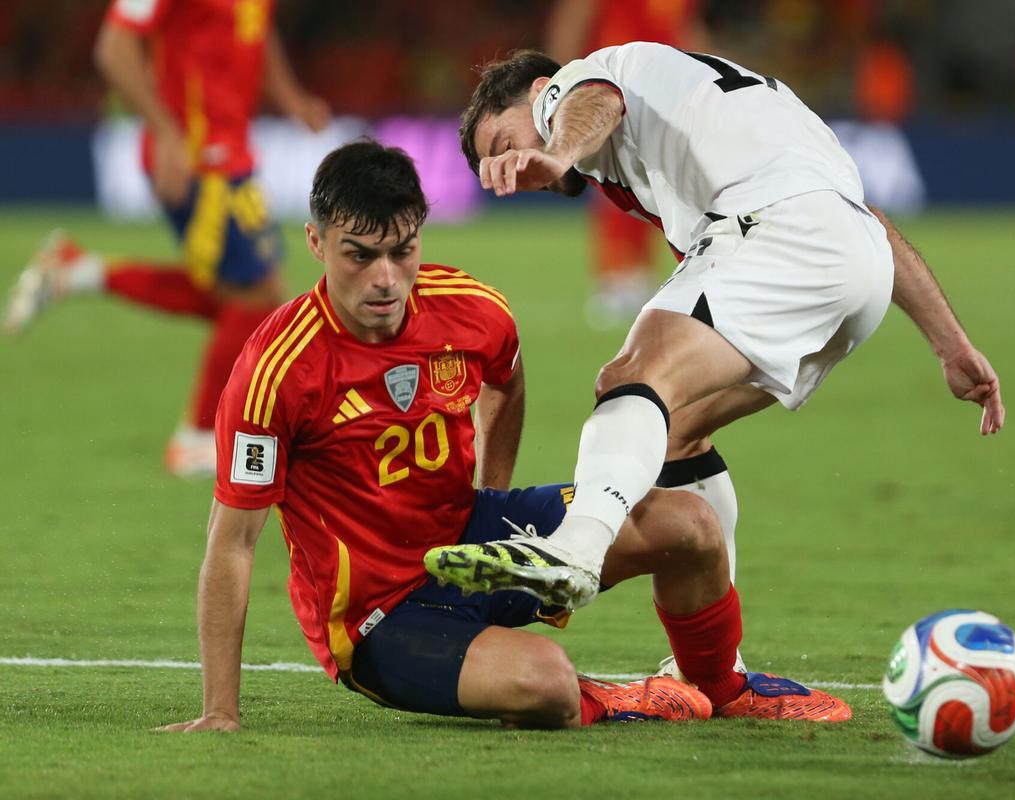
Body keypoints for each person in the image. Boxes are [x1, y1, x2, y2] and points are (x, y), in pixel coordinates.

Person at [160, 140, 850, 732]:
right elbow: (234, 544)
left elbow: (506, 381)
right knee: (544, 682)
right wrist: (221, 708)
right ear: (315, 242)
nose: (385, 279)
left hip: (470, 538)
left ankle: (725, 693)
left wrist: (491, 498)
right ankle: (623, 702)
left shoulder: (471, 311)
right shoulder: (277, 368)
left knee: (691, 526)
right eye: (359, 255)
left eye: (402, 251)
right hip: (377, 617)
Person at [428, 45, 1005, 620]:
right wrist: (951, 345)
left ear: (535, 94)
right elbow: (866, 222)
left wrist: (554, 152)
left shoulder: (580, 82)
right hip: (858, 271)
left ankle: (576, 549)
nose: (510, 173)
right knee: (671, 428)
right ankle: (710, 665)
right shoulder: (709, 104)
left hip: (781, 237)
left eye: (502, 147)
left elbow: (595, 101)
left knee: (629, 381)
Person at [3, 0, 328, 477]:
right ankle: (195, 438)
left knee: (242, 300)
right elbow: (113, 47)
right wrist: (167, 132)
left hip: (232, 154)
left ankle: (76, 270)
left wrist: (290, 97)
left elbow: (257, 27)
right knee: (256, 295)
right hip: (195, 157)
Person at [545, 0, 709, 328]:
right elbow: (573, 18)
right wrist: (559, 83)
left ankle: (640, 275)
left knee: (657, 183)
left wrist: (713, 72)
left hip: (663, 93)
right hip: (608, 88)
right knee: (615, 176)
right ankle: (615, 277)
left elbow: (684, 30)